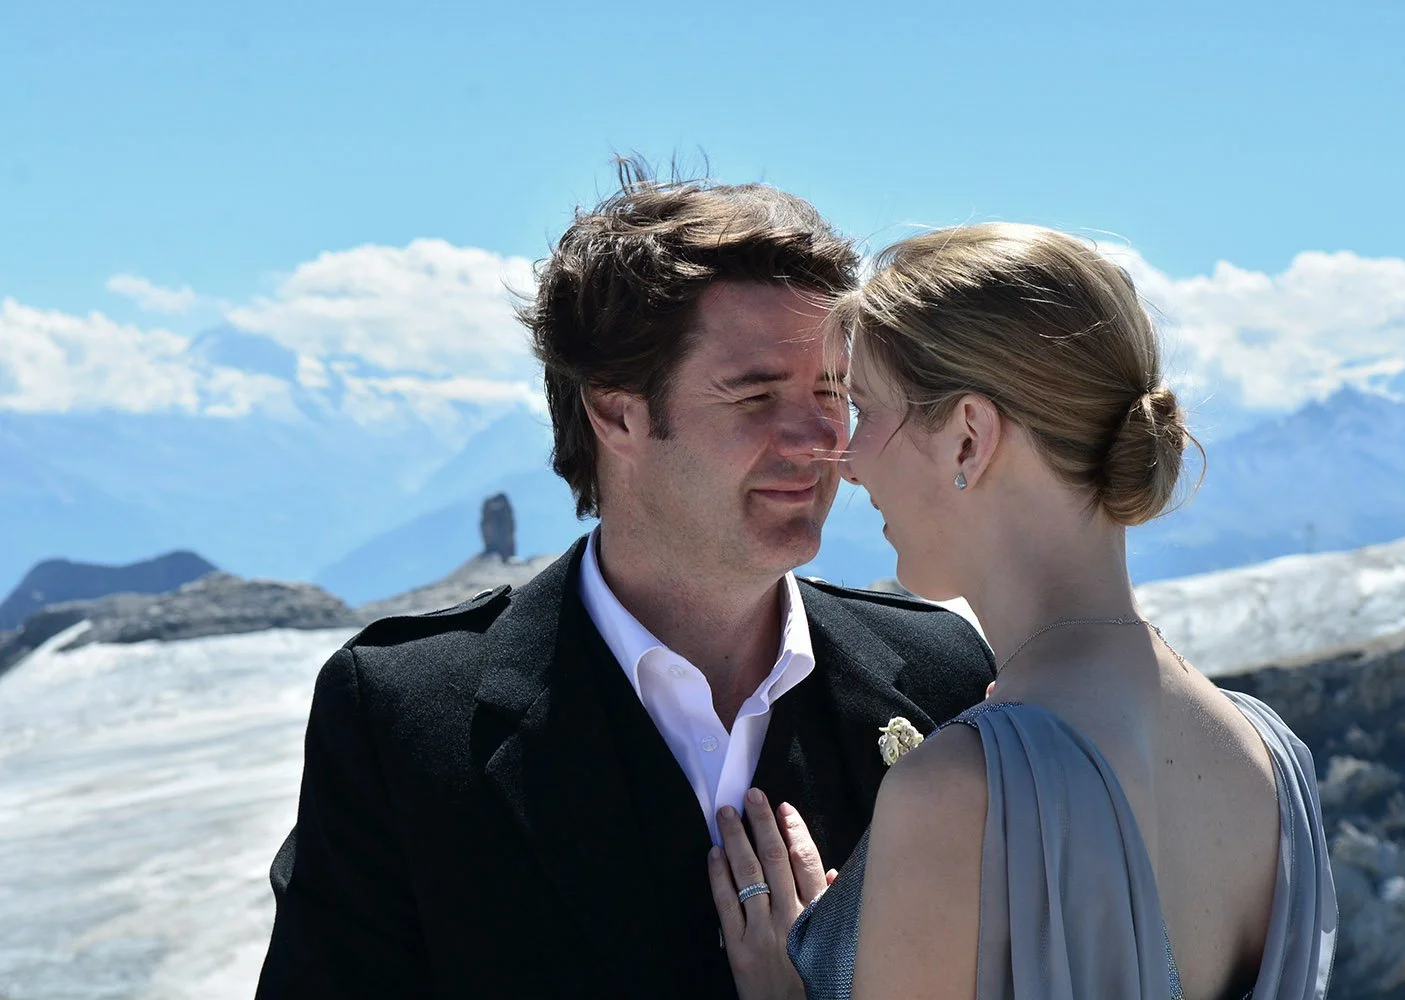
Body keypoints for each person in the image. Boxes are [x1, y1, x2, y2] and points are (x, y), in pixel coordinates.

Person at [253, 165, 995, 999]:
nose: (820, 437)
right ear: (616, 414)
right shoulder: (403, 718)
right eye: (755, 395)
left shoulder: (944, 678)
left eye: (833, 390)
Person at [710, 223, 1338, 1000]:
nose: (848, 454)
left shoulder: (959, 796)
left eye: (865, 410)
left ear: (969, 439)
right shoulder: (1272, 761)